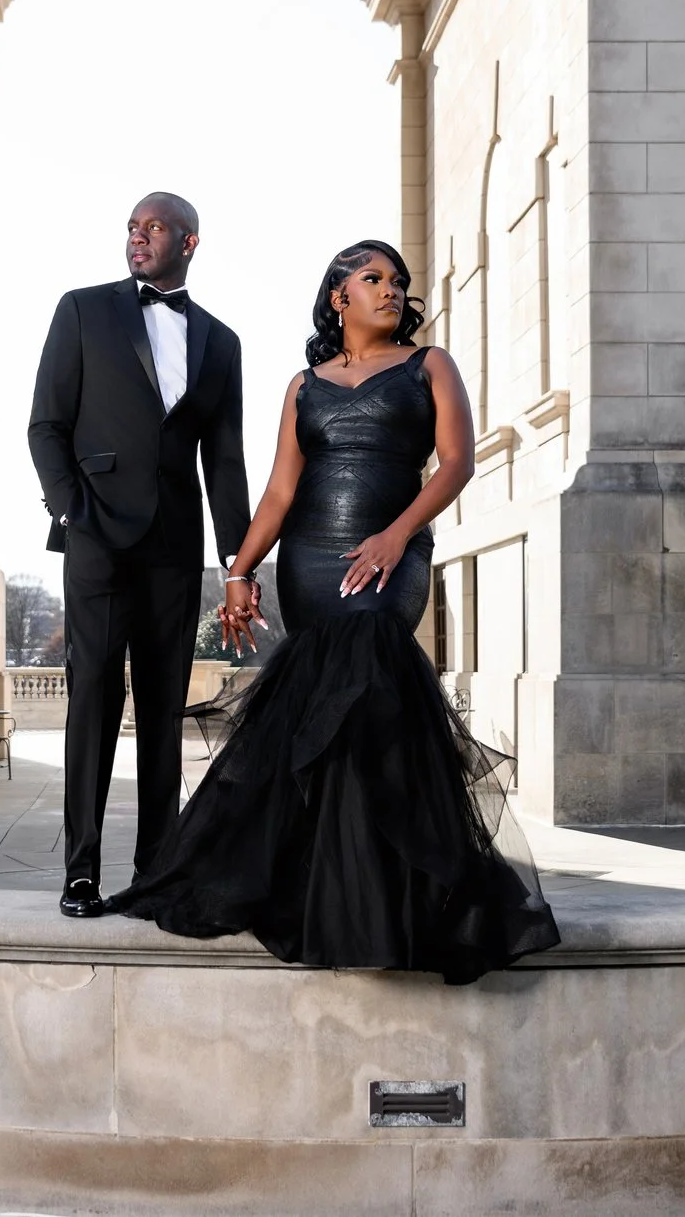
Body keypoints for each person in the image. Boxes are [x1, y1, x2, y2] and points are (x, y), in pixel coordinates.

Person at [106, 241, 561, 984]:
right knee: (324, 722)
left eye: (397, 281)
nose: (391, 290)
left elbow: (456, 463)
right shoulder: (303, 386)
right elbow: (281, 492)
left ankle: (381, 906)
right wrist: (241, 569)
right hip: (311, 564)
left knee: (371, 699)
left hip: (390, 555)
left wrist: (396, 533)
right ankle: (330, 894)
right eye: (372, 278)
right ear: (338, 297)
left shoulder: (430, 365)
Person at [28, 193, 250, 919]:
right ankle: (81, 871)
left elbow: (224, 462)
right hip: (96, 537)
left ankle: (155, 867)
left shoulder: (220, 342)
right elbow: (46, 424)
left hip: (175, 548)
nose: (137, 238)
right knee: (93, 693)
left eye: (151, 227)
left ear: (189, 240)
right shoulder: (83, 311)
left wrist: (238, 562)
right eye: (130, 227)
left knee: (163, 705)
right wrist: (71, 508)